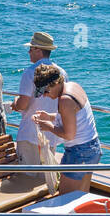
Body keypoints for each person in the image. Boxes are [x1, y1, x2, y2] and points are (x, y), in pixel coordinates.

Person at [30, 63, 101, 195]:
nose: (45, 95)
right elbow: (72, 117)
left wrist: (48, 127)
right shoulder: (73, 87)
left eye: (46, 91)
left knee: (65, 198)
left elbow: (69, 135)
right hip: (92, 148)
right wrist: (49, 117)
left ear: (55, 84)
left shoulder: (64, 100)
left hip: (78, 152)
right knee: (82, 196)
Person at [12, 31, 66, 186]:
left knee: (27, 179)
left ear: (38, 50)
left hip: (30, 132)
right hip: (51, 132)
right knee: (45, 180)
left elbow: (23, 103)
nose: (28, 52)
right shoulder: (62, 72)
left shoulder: (30, 72)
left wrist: (15, 103)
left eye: (30, 48)